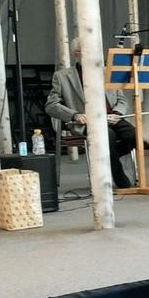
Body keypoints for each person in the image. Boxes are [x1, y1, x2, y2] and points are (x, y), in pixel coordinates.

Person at [45, 39, 136, 189]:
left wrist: (117, 113)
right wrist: (74, 115)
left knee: (133, 135)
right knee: (107, 137)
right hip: (87, 121)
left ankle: (104, 158)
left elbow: (121, 99)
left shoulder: (107, 71)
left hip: (111, 117)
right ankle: (122, 182)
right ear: (76, 54)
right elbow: (51, 106)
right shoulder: (62, 76)